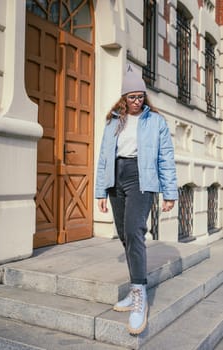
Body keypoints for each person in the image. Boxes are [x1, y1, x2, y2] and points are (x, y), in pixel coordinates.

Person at [95, 65, 178, 335]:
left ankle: (140, 297)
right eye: (131, 97)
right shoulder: (112, 121)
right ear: (123, 98)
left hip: (141, 178)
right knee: (124, 235)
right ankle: (133, 290)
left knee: (134, 232)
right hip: (115, 179)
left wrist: (170, 192)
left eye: (140, 96)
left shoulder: (155, 121)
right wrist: (100, 191)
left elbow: (165, 158)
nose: (136, 101)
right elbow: (104, 157)